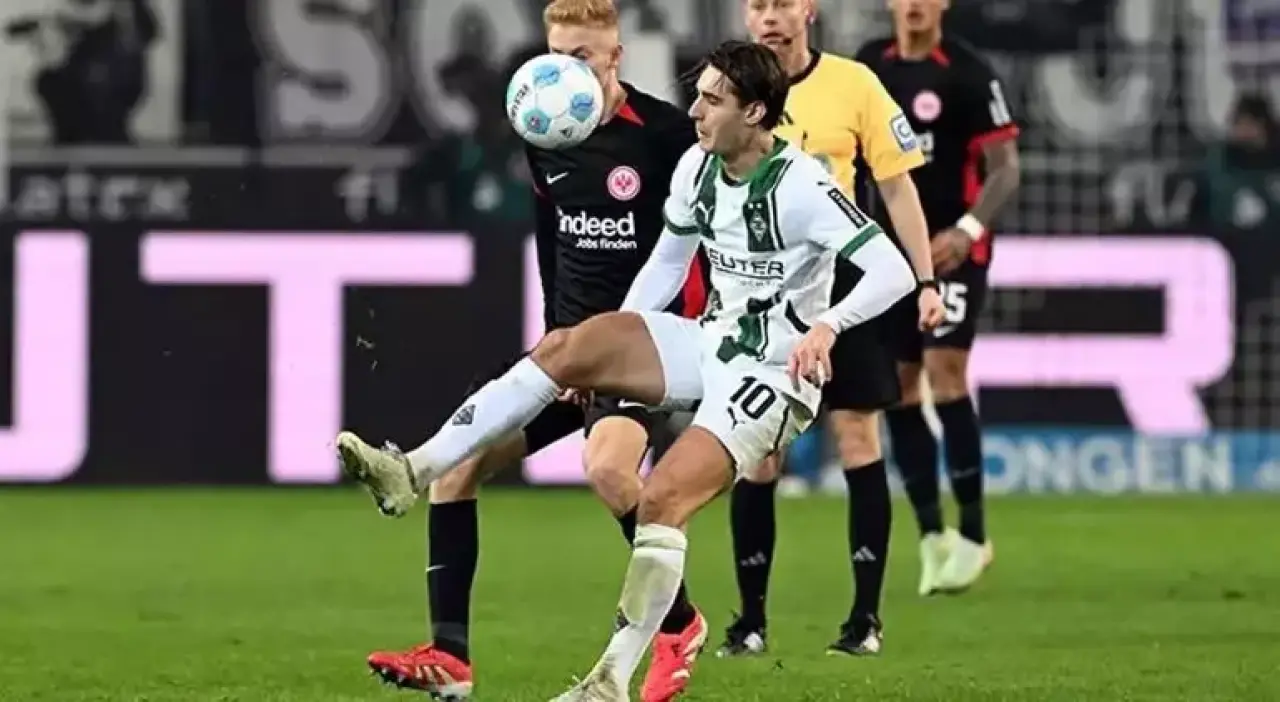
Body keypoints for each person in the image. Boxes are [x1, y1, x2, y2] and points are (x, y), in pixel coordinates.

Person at [337, 39, 917, 702]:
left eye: (713, 100)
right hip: (711, 342)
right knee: (570, 347)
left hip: (773, 374)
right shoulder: (698, 167)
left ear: (755, 112)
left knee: (663, 499)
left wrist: (830, 324)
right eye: (697, 96)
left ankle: (609, 680)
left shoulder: (803, 185)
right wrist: (616, 343)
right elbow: (668, 263)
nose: (695, 110)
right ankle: (411, 470)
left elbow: (892, 270)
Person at [357, 1, 709, 699]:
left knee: (608, 471)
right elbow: (553, 240)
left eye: (581, 57)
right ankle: (450, 658)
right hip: (568, 350)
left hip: (639, 347)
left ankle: (679, 624)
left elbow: (693, 246)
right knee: (460, 467)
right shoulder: (546, 129)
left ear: (615, 58)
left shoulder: (667, 136)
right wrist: (558, 334)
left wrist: (673, 333)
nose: (564, 73)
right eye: (555, 57)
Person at [718, 0, 944, 659]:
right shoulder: (728, 88)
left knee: (856, 435)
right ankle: (750, 621)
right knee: (760, 454)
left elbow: (897, 187)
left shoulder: (853, 83)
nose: (770, 17)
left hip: (843, 281)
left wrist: (925, 280)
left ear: (808, 10)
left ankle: (864, 620)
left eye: (783, 3)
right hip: (763, 286)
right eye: (758, 4)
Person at [857, 0, 1022, 596]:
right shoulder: (869, 67)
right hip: (891, 255)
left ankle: (974, 535)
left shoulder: (969, 71)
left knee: (946, 374)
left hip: (953, 253)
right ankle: (933, 536)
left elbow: (1006, 168)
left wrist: (968, 230)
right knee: (900, 388)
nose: (915, 5)